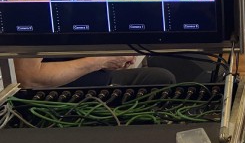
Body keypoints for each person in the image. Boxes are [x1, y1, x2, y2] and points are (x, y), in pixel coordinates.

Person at [13, 57, 176, 88]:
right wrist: (102, 61)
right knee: (162, 80)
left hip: (98, 74)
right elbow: (29, 77)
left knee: (162, 78)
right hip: (62, 88)